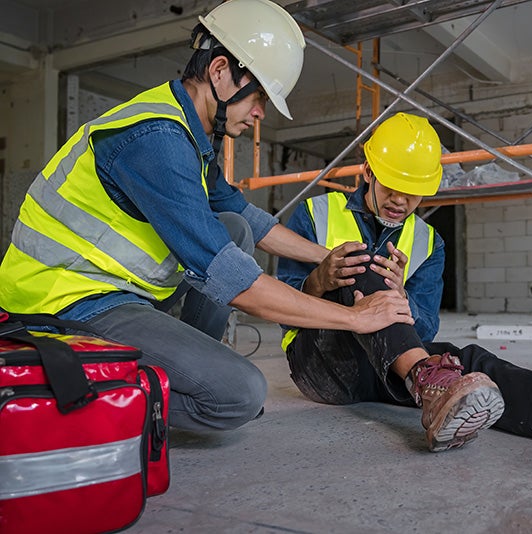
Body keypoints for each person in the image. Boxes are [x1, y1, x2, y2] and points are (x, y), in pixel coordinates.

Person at [0, 0, 413, 432]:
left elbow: (244, 218)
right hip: (62, 304)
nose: (260, 114)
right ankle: (64, 390)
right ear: (220, 72)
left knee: (232, 227)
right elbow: (233, 280)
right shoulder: (157, 141)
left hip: (114, 292)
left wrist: (328, 257)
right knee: (238, 395)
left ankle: (188, 366)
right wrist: (353, 317)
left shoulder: (187, 131)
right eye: (258, 97)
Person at [277, 112, 532, 462]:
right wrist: (319, 279)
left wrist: (402, 297)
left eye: (413, 194)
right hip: (322, 366)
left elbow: (422, 331)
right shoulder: (315, 215)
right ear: (368, 172)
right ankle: (431, 383)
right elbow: (281, 310)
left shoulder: (429, 242)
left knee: (472, 365)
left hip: (387, 368)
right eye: (392, 187)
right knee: (365, 265)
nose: (400, 202)